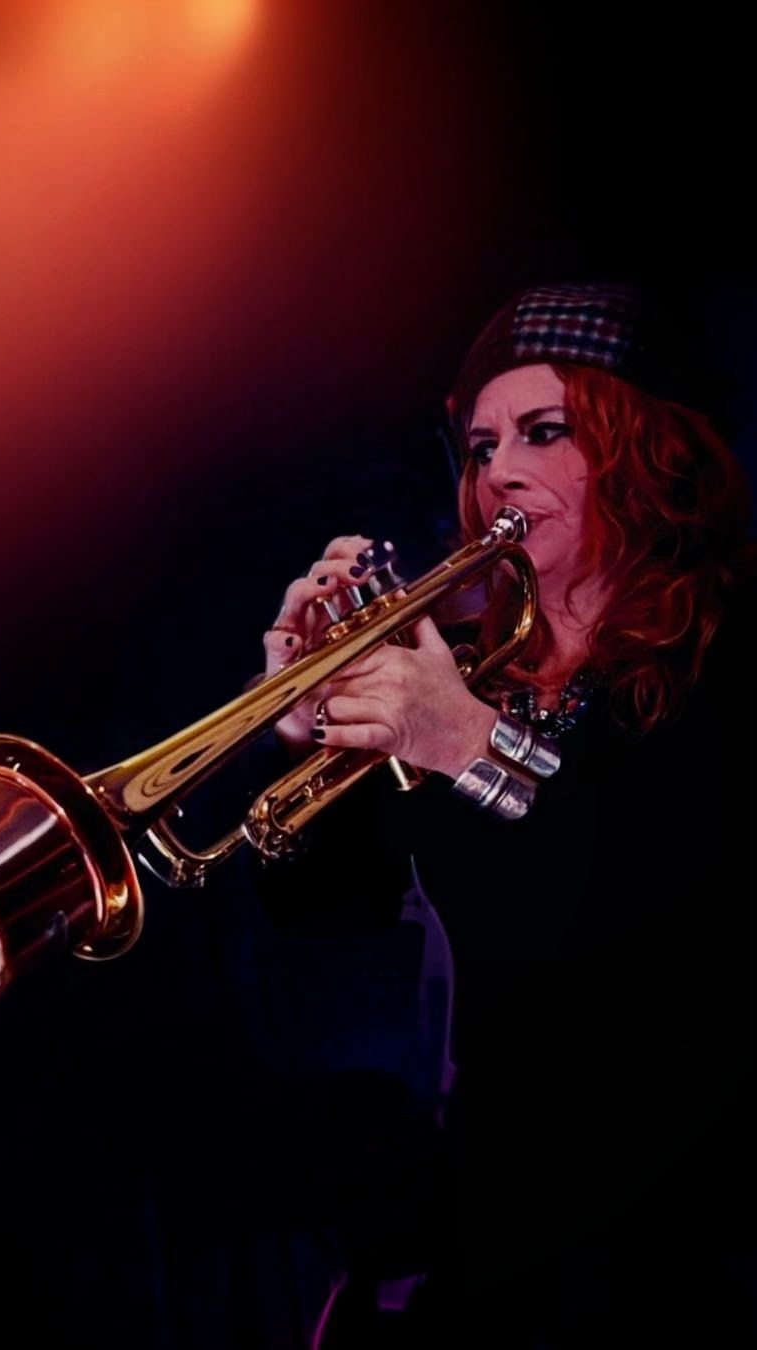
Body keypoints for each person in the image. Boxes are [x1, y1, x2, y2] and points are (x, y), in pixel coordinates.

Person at [252, 281, 756, 1346]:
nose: (499, 474)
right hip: (498, 1218)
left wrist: (465, 744)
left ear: (644, 447)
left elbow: (645, 921)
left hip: (678, 1233)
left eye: (545, 431)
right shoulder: (479, 674)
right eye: (482, 447)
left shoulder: (724, 651)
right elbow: (325, 910)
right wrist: (301, 723)